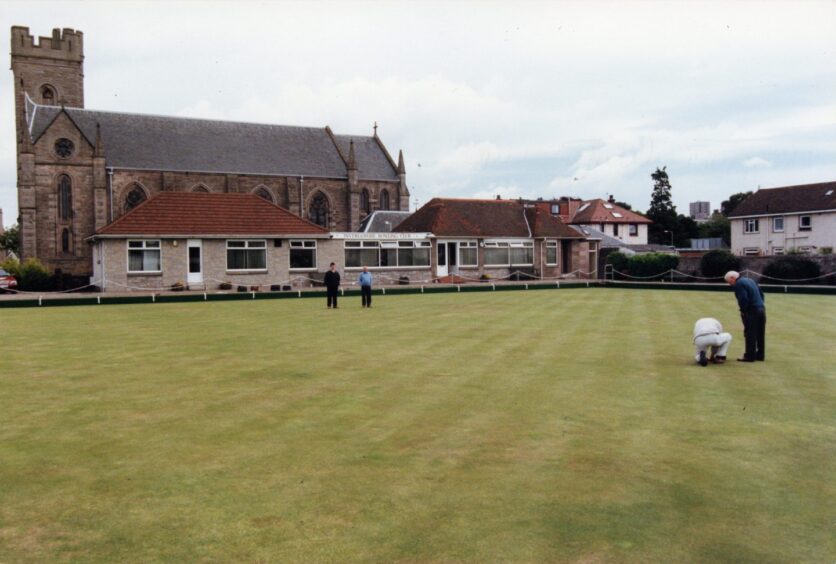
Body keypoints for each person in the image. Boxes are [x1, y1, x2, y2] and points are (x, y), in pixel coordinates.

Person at [724, 270, 766, 362]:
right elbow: (762, 294)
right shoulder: (751, 280)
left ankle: (749, 356)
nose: (729, 284)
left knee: (750, 333)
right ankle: (760, 355)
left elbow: (743, 299)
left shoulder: (739, 284)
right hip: (761, 309)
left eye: (729, 281)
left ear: (732, 278)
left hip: (752, 311)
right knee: (760, 333)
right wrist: (761, 305)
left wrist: (743, 311)